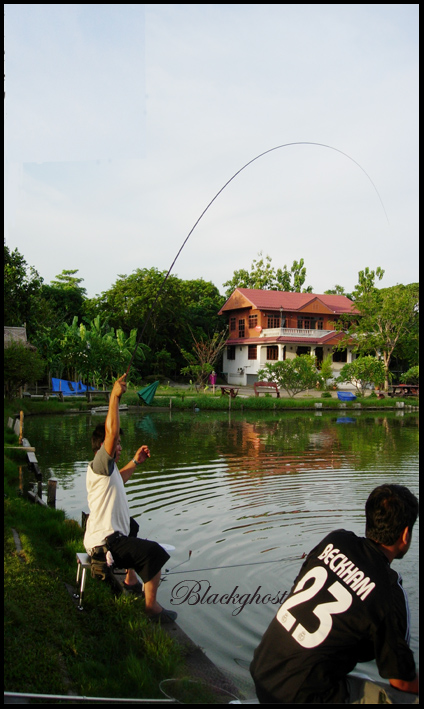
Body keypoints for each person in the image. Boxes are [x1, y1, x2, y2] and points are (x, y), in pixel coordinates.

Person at [250, 484, 419, 703]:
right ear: (405, 534)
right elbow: (401, 681)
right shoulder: (389, 592)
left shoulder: (335, 540)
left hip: (264, 673)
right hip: (301, 697)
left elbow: (298, 585)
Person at [83, 373, 177, 624]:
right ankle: (151, 607)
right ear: (103, 446)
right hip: (105, 545)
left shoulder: (105, 470)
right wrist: (114, 396)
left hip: (105, 538)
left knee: (131, 524)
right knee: (154, 553)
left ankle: (130, 580)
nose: (120, 447)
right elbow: (111, 432)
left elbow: (119, 478)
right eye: (117, 444)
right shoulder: (100, 462)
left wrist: (135, 462)